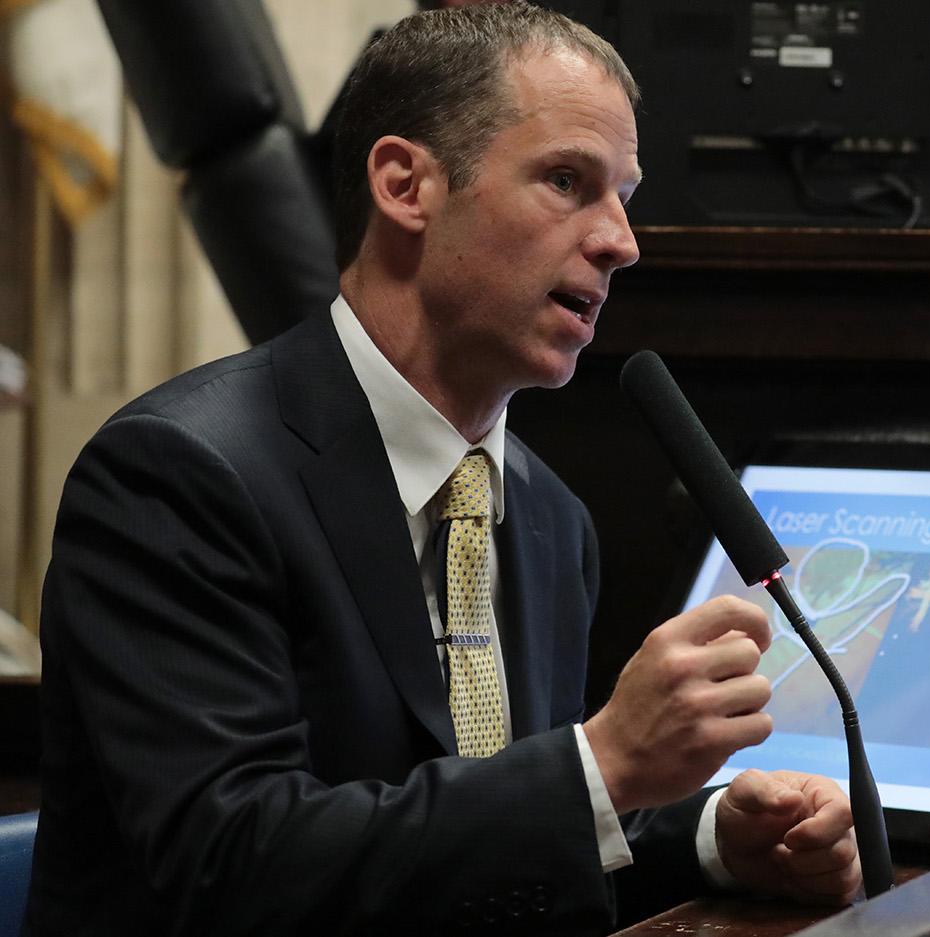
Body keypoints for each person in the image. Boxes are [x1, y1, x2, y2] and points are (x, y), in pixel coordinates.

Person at [25, 5, 861, 934]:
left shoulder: (548, 514)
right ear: (404, 184)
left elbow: (492, 847)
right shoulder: (176, 477)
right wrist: (602, 764)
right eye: (568, 181)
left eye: (624, 196)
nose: (621, 240)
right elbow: (231, 865)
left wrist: (712, 839)